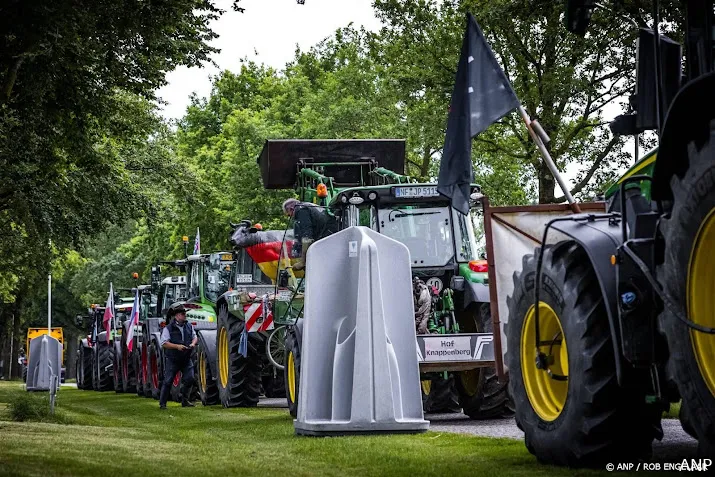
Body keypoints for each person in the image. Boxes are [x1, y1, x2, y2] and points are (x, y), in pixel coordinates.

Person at [159, 302, 198, 409]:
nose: (184, 315)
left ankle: (185, 400)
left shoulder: (189, 326)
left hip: (186, 358)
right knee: (168, 381)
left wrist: (193, 344)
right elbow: (164, 343)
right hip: (173, 359)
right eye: (182, 313)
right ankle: (162, 404)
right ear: (176, 316)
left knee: (190, 378)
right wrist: (177, 347)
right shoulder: (168, 328)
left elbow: (195, 337)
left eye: (184, 313)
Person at [282, 198, 338, 270]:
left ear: (291, 209)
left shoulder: (301, 210)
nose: (292, 217)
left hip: (328, 242)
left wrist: (302, 262)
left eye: (289, 215)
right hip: (333, 238)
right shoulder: (310, 206)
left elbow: (307, 237)